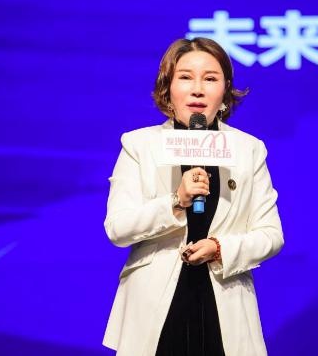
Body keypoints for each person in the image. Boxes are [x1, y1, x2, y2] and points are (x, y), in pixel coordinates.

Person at [102, 37, 284, 356]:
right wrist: (175, 201)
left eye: (210, 79)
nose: (197, 89)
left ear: (225, 91)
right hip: (155, 305)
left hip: (224, 303)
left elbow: (271, 235)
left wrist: (220, 248)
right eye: (186, 77)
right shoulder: (139, 146)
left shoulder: (248, 150)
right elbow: (118, 228)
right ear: (168, 88)